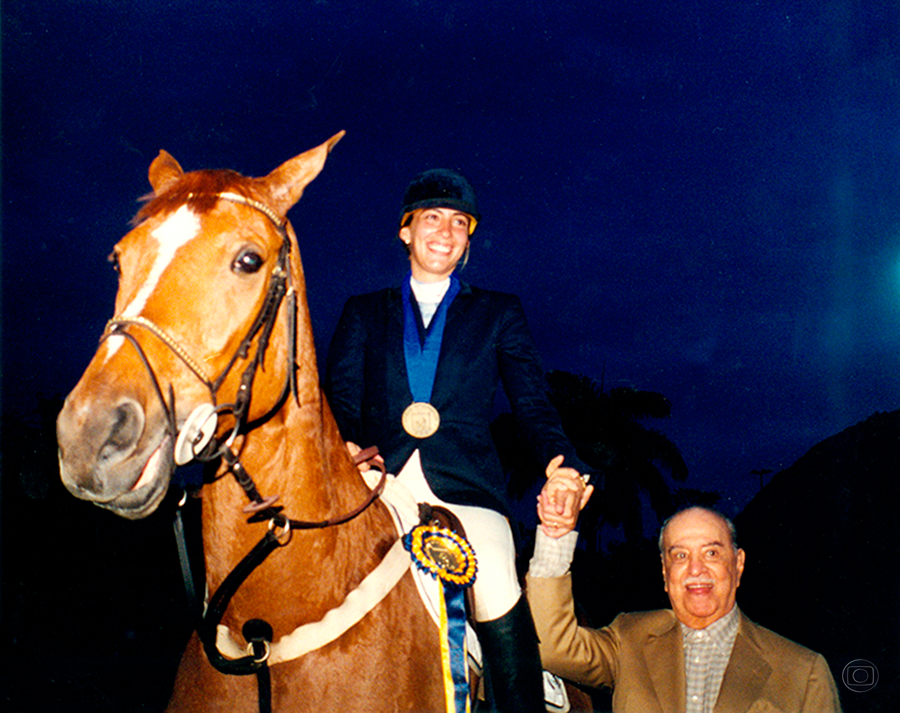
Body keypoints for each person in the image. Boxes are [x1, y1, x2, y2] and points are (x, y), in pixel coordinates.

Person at [324, 168, 592, 712]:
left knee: (496, 583)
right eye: (432, 218)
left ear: (469, 239)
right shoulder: (363, 312)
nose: (445, 232)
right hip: (378, 484)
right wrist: (346, 446)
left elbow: (532, 403)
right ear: (406, 231)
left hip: (465, 490)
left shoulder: (499, 312)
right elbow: (341, 403)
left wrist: (559, 462)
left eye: (459, 222)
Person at [528, 474, 842, 713]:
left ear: (738, 565)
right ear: (665, 574)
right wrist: (556, 535)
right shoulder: (628, 639)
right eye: (680, 555)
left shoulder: (803, 671)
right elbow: (552, 647)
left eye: (711, 553)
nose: (695, 569)